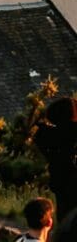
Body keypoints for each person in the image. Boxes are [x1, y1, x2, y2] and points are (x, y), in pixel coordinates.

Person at [38, 96, 77, 228]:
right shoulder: (72, 132)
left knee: (64, 215)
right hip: (72, 178)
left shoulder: (47, 134)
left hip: (59, 178)